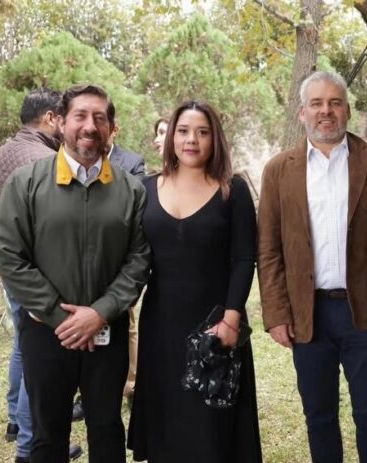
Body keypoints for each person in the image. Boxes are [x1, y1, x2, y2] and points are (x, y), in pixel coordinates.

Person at [258, 71, 367, 463]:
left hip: (366, 314)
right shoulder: (279, 170)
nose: (325, 111)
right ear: (302, 112)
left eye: (334, 103)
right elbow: (269, 249)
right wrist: (276, 314)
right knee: (319, 415)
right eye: (317, 103)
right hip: (308, 315)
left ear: (347, 110)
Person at [0, 83, 151, 463]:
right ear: (61, 122)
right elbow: (9, 255)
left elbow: (139, 259)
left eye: (99, 118)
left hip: (106, 332)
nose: (90, 126)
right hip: (47, 332)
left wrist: (99, 312)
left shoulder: (131, 190)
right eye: (80, 116)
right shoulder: (26, 183)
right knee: (47, 434)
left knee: (107, 428)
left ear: (111, 127)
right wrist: (59, 316)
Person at [128, 100, 261, 462]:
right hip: (161, 325)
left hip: (215, 324)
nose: (192, 140)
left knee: (212, 428)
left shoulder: (232, 190)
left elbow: (244, 258)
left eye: (202, 132)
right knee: (167, 422)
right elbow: (133, 256)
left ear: (215, 139)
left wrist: (231, 318)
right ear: (171, 137)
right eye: (184, 131)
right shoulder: (144, 188)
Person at [0, 88, 83, 463]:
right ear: (50, 118)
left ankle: (15, 419)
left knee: (22, 345)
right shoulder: (46, 160)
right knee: (40, 358)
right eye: (64, 118)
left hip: (11, 269)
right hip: (40, 275)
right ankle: (29, 443)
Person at [106, 110, 146, 403]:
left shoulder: (131, 162)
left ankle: (131, 385)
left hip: (122, 258)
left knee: (127, 323)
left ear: (114, 129)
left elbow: (136, 208)